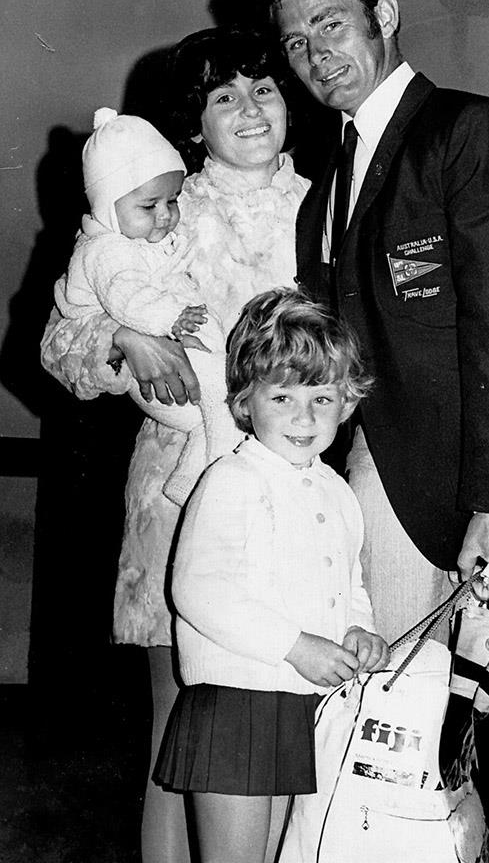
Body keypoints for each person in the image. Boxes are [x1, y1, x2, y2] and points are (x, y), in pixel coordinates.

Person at [259, 0, 489, 640]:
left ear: (383, 15)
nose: (316, 54)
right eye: (294, 43)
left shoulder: (468, 131)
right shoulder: (323, 188)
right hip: (383, 472)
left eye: (329, 24)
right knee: (389, 716)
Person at [40, 28, 310, 863]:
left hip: (302, 491)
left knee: (293, 718)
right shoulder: (159, 200)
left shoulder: (334, 201)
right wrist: (125, 336)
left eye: (262, 88)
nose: (248, 109)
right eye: (222, 96)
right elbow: (59, 340)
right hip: (181, 492)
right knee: (181, 722)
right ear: (195, 122)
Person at [154, 286, 388, 863]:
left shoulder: (337, 491)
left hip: (294, 703)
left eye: (322, 397)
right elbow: (197, 589)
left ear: (347, 401)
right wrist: (297, 645)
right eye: (281, 396)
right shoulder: (234, 480)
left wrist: (357, 628)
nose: (303, 416)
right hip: (236, 702)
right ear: (245, 402)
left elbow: (349, 581)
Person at [52, 106, 238, 506]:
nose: (167, 215)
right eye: (149, 205)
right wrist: (145, 329)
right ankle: (219, 484)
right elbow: (126, 297)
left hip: (202, 375)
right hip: (165, 379)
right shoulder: (108, 251)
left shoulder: (144, 236)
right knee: (227, 405)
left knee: (218, 417)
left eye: (173, 201)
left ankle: (190, 482)